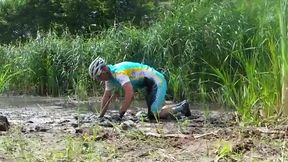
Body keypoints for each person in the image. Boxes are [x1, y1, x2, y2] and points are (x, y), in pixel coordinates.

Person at [88, 57, 191, 120]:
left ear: (105, 69)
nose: (99, 80)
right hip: (148, 85)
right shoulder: (109, 79)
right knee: (152, 115)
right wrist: (100, 116)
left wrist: (120, 115)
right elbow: (106, 97)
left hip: (157, 81)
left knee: (154, 113)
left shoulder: (118, 73)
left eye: (99, 76)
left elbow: (130, 94)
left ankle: (182, 107)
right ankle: (181, 106)